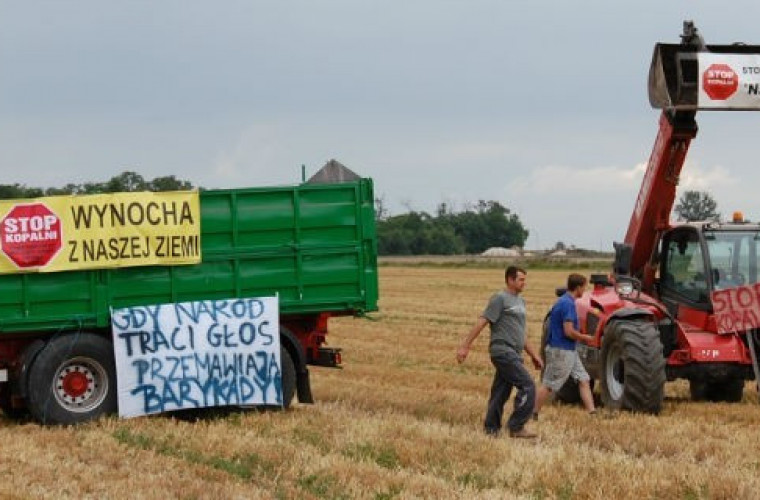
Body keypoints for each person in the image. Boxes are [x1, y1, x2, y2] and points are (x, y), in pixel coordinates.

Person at [456, 265, 544, 438]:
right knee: (527, 385)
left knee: (500, 392)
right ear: (510, 280)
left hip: (514, 352)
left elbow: (520, 333)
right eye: (521, 279)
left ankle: (491, 429)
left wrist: (534, 355)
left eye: (525, 279)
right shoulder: (499, 299)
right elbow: (482, 322)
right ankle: (516, 426)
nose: (524, 283)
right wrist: (465, 346)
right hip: (502, 351)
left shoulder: (520, 302)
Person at [533, 273, 596, 418]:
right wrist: (584, 337)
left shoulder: (562, 301)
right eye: (584, 287)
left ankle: (592, 412)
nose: (585, 291)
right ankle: (532, 412)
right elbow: (568, 331)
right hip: (561, 350)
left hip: (569, 350)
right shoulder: (568, 304)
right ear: (578, 288)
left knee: (584, 379)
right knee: (549, 384)